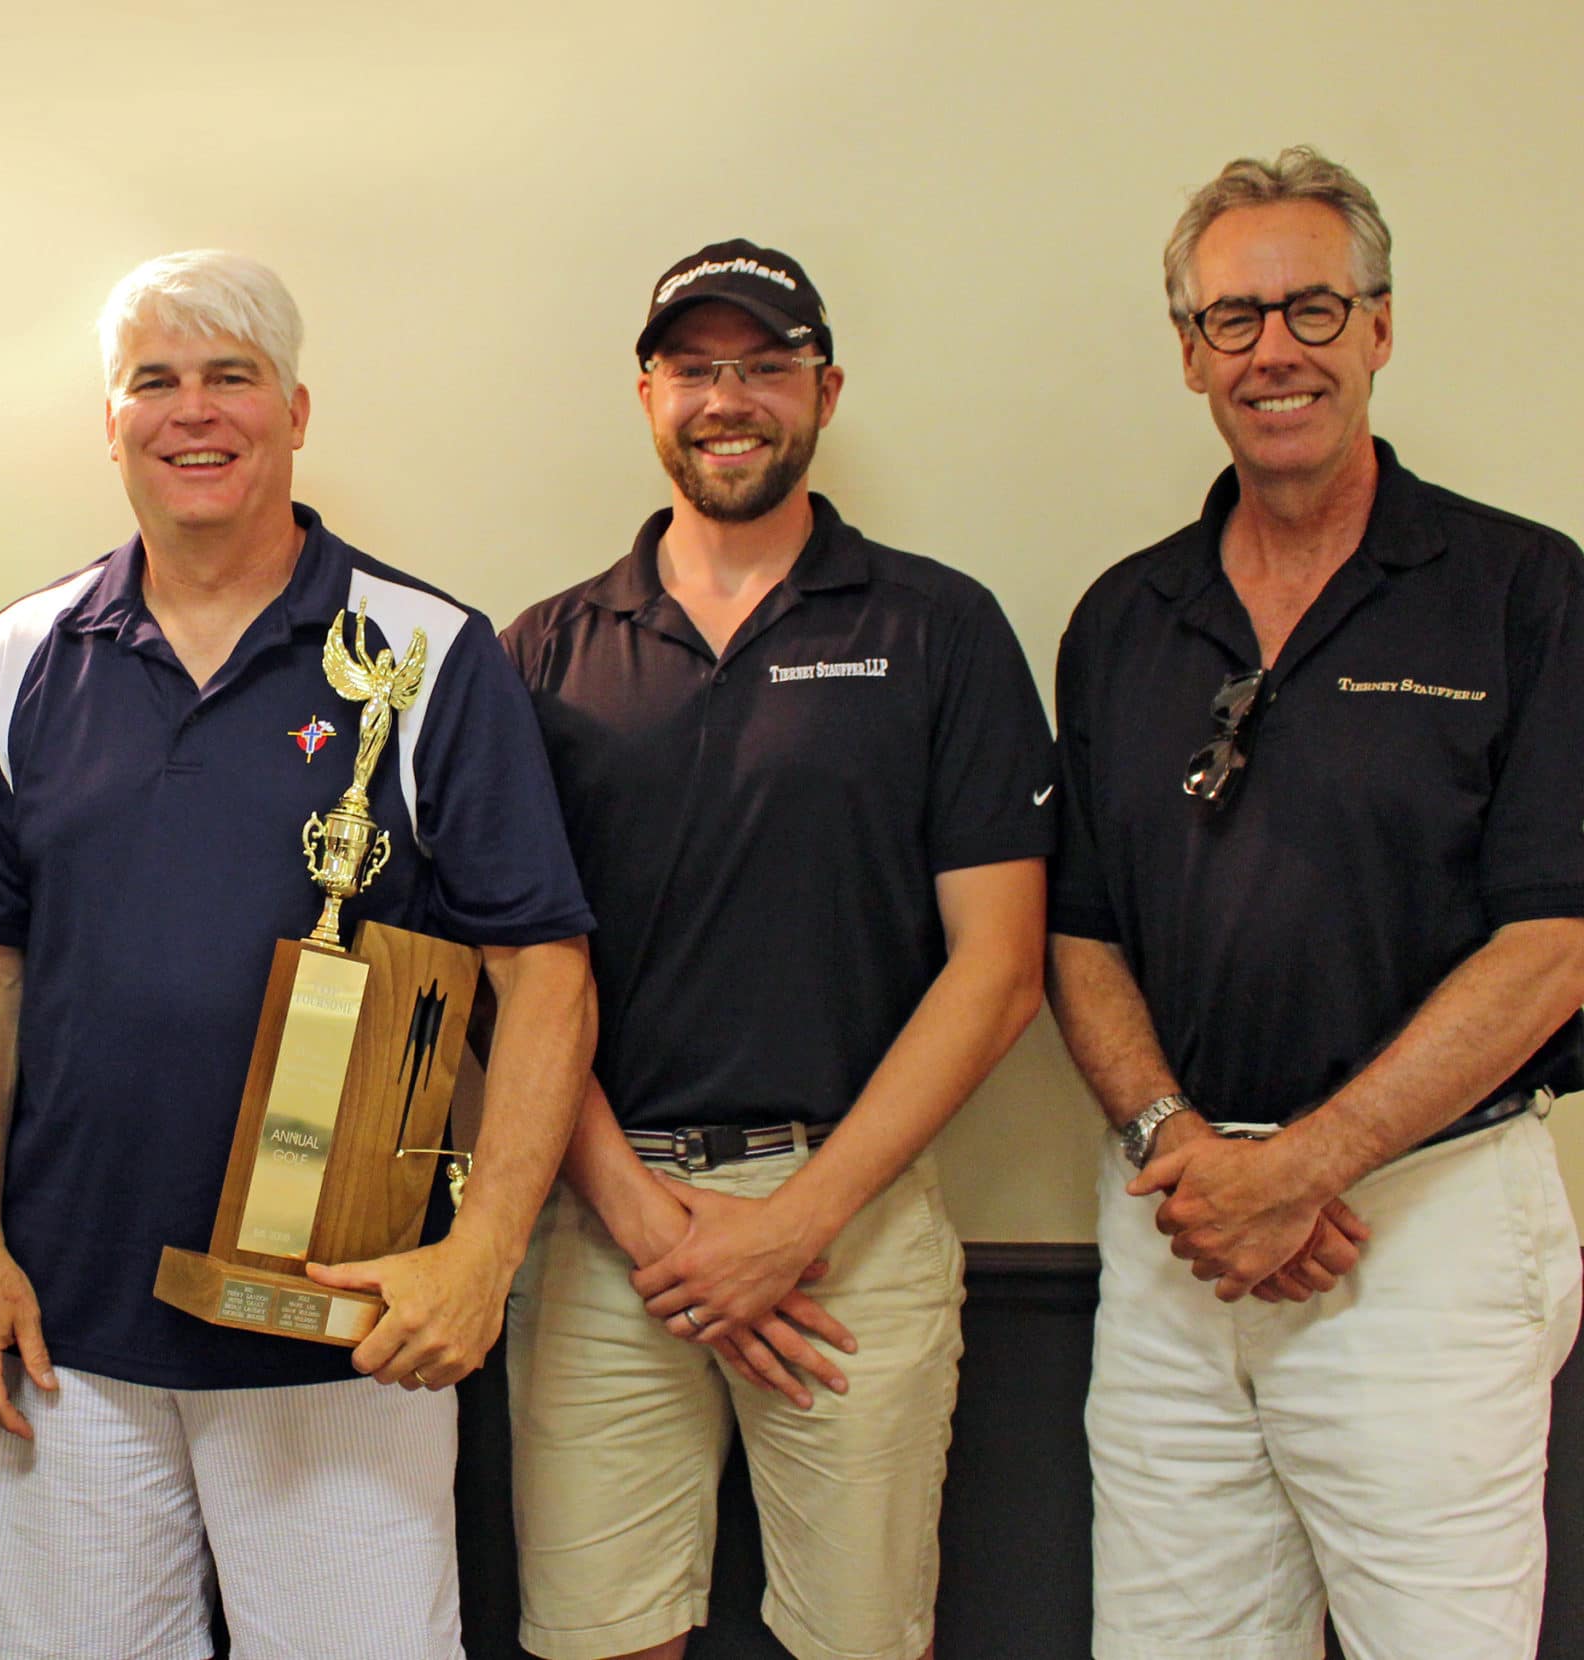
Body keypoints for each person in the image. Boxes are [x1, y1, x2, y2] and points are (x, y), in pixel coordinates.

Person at [0, 249, 597, 1660]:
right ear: (110, 425)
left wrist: (484, 1255)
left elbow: (544, 976)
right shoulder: (23, 654)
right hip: (70, 1329)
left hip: (344, 1327)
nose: (193, 412)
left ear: (294, 409)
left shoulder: (425, 652)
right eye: (153, 382)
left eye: (230, 377)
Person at [1047, 147, 1584, 1659]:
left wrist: (1310, 1167)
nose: (1274, 349)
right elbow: (1079, 934)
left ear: (1381, 329)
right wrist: (1182, 1148)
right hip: (1175, 1230)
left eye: (1313, 309)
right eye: (1233, 319)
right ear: (1189, 353)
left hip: (1423, 1229)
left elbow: (1555, 946)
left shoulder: (1521, 592)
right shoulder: (1125, 618)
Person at [498, 240, 1051, 1660]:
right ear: (647, 394)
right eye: (696, 367)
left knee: (859, 1641)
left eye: (764, 366)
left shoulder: (939, 628)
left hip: (850, 1233)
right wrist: (641, 1220)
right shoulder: (544, 654)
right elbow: (510, 980)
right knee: (598, 1641)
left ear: (826, 389)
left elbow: (997, 970)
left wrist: (796, 1224)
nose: (727, 398)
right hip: (602, 1224)